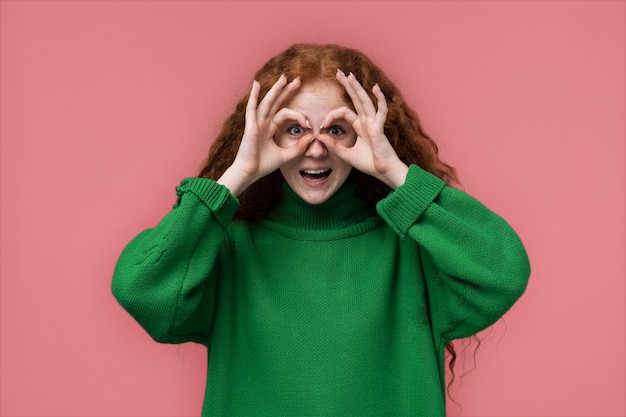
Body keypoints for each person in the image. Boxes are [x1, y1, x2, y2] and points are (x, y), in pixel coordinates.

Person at [112, 43, 530, 417]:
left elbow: (503, 272)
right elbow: (140, 289)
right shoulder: (227, 245)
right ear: (262, 134)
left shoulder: (412, 245)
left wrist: (397, 173)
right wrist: (237, 174)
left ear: (368, 133)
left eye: (336, 129)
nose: (315, 147)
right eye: (294, 129)